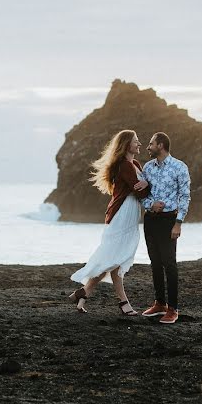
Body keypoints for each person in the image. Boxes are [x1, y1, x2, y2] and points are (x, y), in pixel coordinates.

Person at [67, 130, 150, 315]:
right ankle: (123, 302)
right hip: (122, 215)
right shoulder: (125, 166)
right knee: (116, 260)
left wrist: (146, 184)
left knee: (113, 259)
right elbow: (140, 192)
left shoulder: (134, 163)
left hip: (128, 215)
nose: (140, 144)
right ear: (127, 144)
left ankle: (84, 292)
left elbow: (142, 188)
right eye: (136, 141)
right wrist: (147, 185)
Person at [139, 132, 191, 325]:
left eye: (151, 144)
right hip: (150, 220)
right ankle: (159, 303)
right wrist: (150, 204)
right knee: (155, 262)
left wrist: (179, 222)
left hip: (169, 220)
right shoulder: (147, 168)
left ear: (160, 145)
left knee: (169, 264)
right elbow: (142, 193)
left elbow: (185, 196)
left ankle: (173, 308)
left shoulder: (179, 167)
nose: (148, 147)